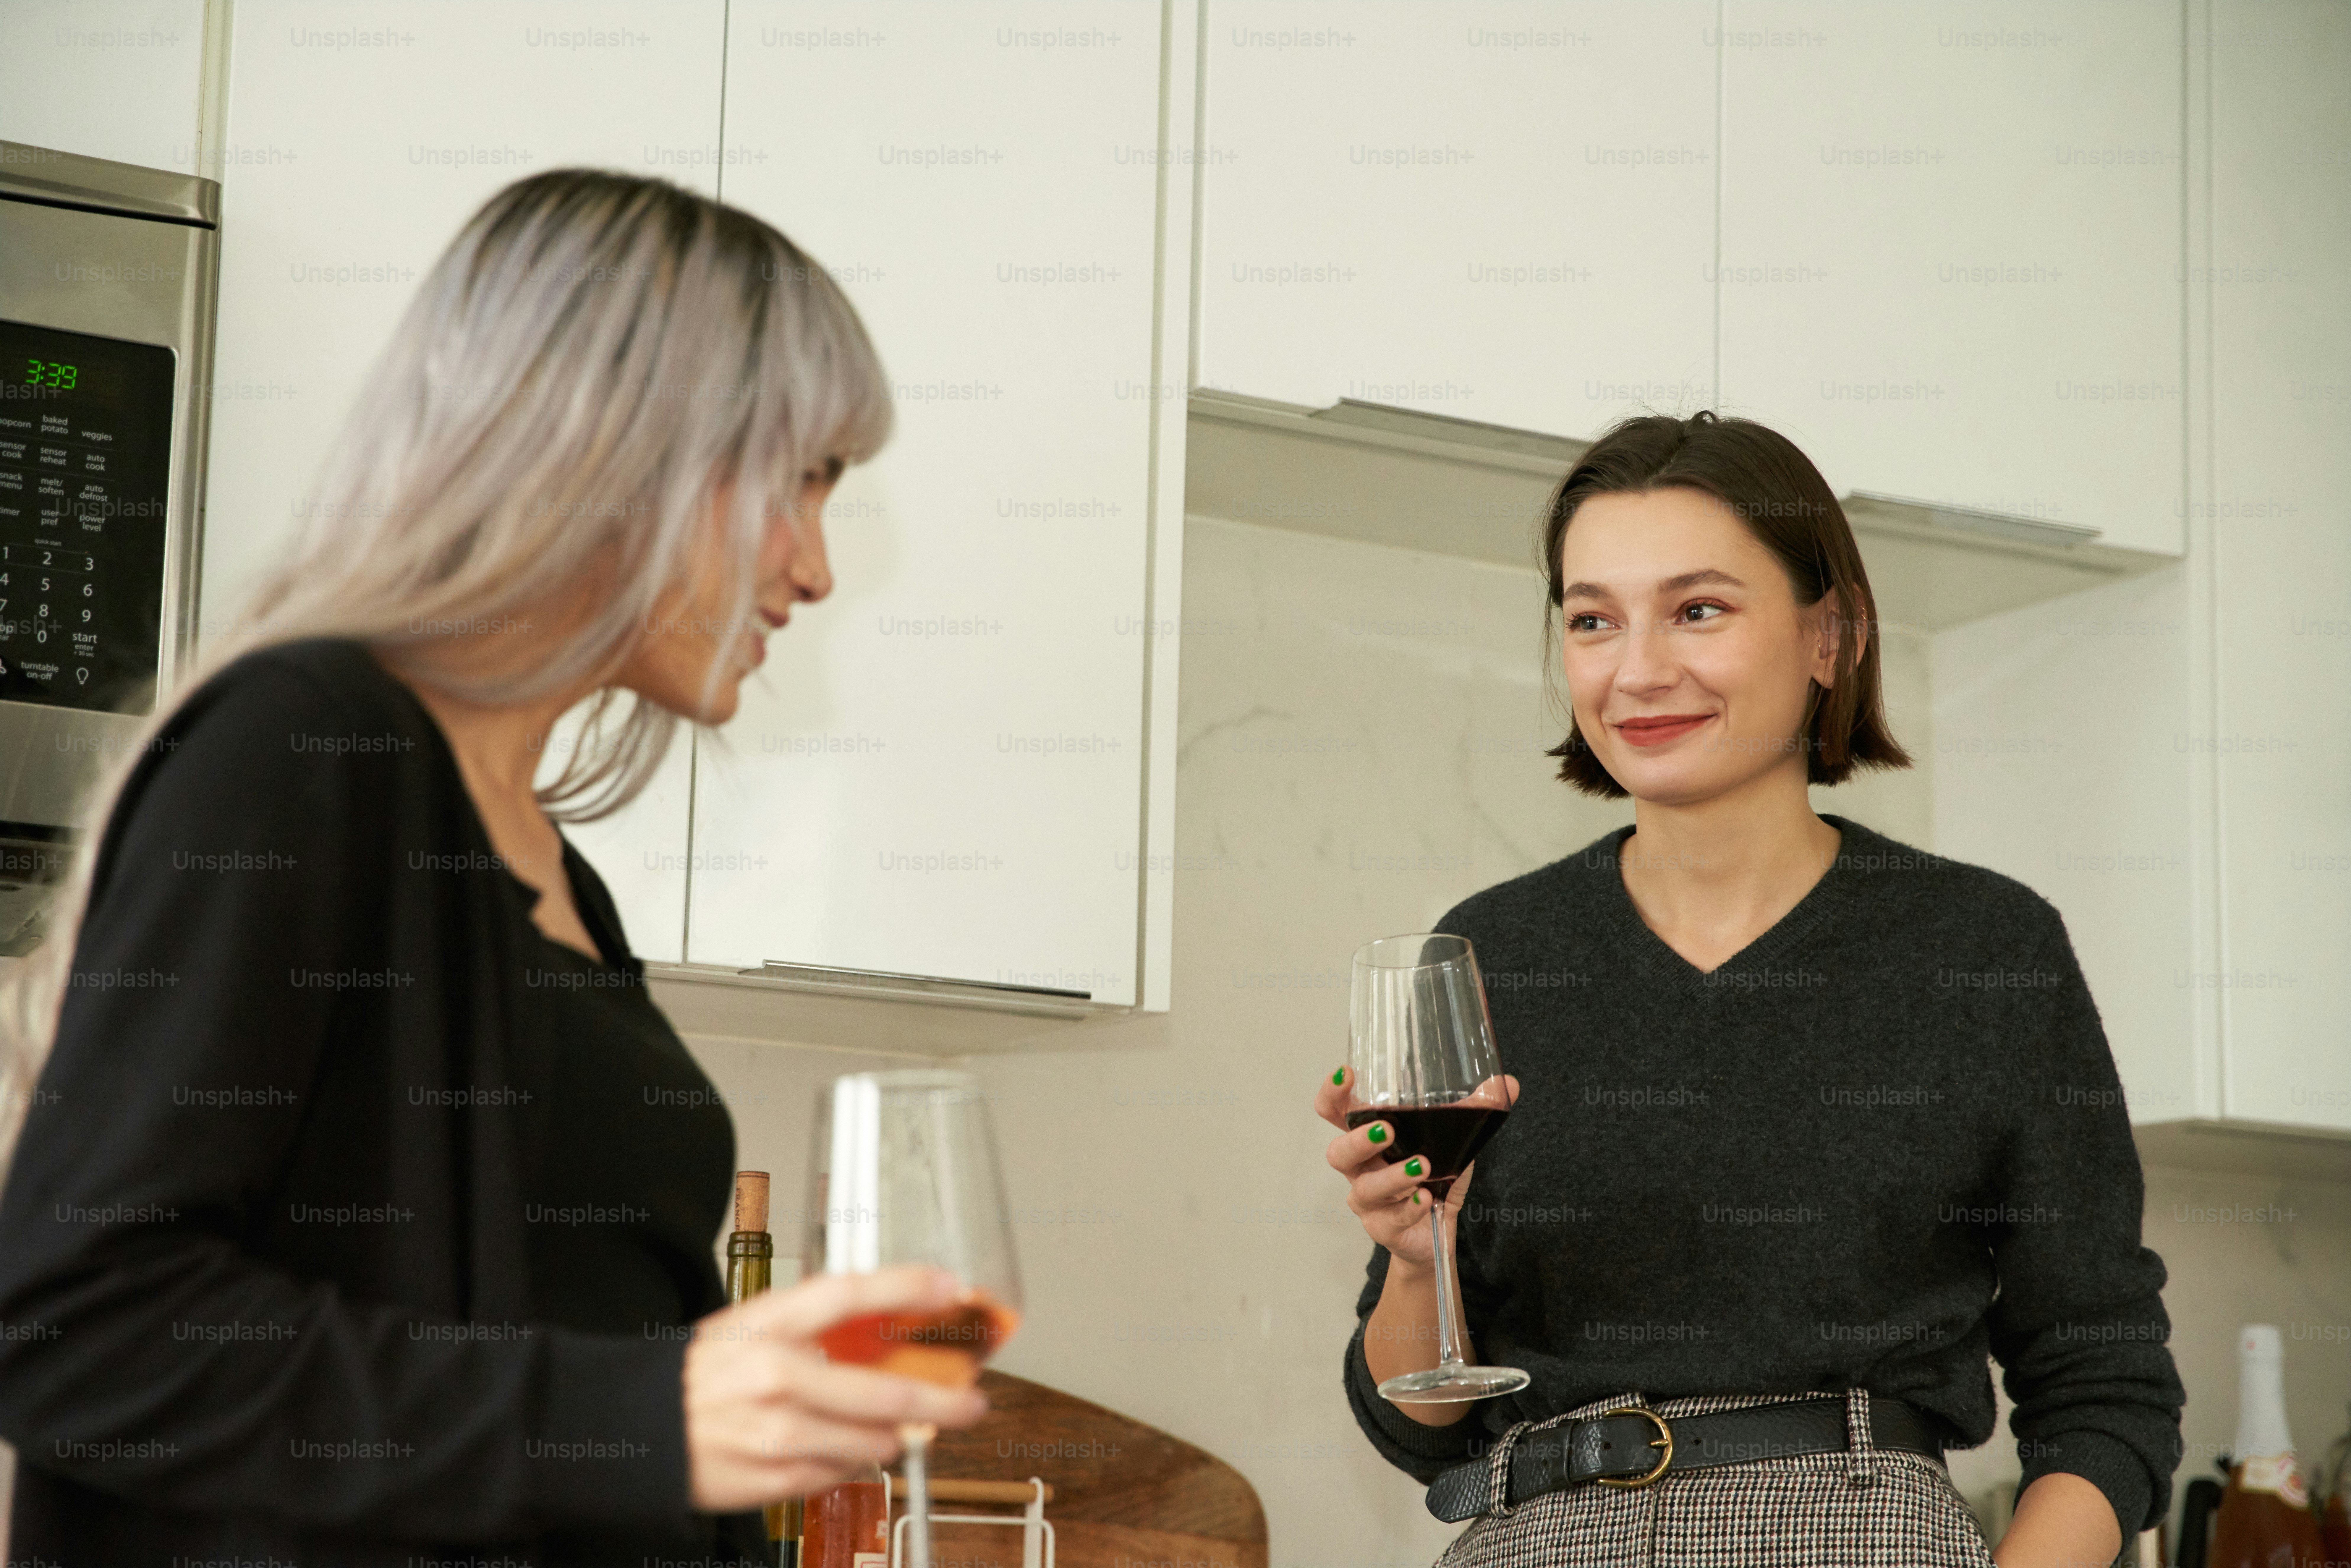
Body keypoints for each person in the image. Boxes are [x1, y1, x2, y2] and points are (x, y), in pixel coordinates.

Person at [0, 169, 984, 1566]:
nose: (816, 566)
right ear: (620, 448)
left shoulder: (548, 873)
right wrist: (645, 1413)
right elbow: (76, 1326)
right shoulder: (306, 744)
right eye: (800, 482)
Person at [1316, 413, 2184, 1568]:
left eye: (1698, 610)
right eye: (1591, 620)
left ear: (1829, 635)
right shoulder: (1489, 951)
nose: (1637, 669)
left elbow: (2102, 1383)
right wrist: (1419, 1267)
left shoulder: (1982, 947)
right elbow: (1413, 1424)